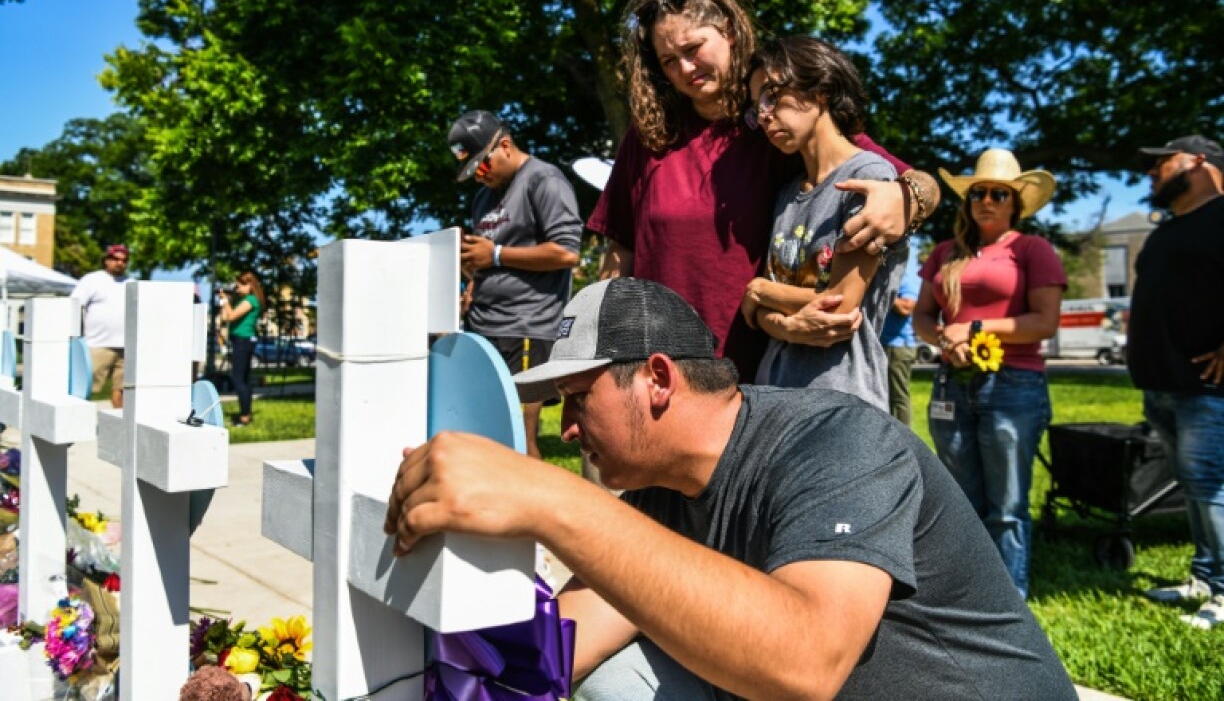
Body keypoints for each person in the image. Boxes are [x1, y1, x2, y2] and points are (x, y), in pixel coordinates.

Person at [384, 278, 1077, 701]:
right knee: (613, 674)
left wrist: (550, 498)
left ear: (658, 379)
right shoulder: (662, 497)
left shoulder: (838, 439)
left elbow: (807, 662)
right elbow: (546, 659)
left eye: (576, 399)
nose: (567, 430)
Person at [587, 0, 939, 380]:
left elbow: (918, 182)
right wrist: (602, 346)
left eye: (693, 48)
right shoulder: (648, 136)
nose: (684, 69)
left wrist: (905, 196)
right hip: (659, 372)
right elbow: (619, 252)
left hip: (760, 375)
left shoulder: (782, 122)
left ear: (729, 33)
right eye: (668, 61)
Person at [912, 149, 1065, 597]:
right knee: (961, 500)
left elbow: (1044, 322)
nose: (988, 200)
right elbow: (923, 317)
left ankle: (1009, 599)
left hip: (1013, 385)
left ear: (1014, 202)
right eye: (978, 193)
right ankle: (970, 593)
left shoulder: (1031, 249)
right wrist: (945, 341)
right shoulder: (944, 253)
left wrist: (974, 327)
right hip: (951, 383)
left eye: (999, 193)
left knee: (1008, 504)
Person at [739, 37, 902, 408]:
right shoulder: (785, 195)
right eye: (755, 107)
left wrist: (759, 292)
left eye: (771, 95)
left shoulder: (867, 178)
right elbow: (766, 315)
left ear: (822, 91)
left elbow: (839, 307)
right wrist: (779, 320)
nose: (763, 115)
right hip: (775, 400)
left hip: (841, 402)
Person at [1128, 134, 1224, 629]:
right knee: (1192, 486)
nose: (1151, 173)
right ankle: (1205, 577)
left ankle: (1223, 594)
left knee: (1210, 487)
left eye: (1160, 163)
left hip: (1206, 390)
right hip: (1161, 381)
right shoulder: (1169, 228)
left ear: (1198, 161)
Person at [449, 109, 583, 459]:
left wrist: (495, 255)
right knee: (484, 437)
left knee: (518, 444)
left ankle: (531, 514)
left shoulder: (544, 180)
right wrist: (472, 281)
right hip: (481, 326)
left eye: (481, 165)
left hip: (525, 326)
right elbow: (487, 255)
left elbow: (567, 253)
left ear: (504, 145)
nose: (479, 177)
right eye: (471, 172)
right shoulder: (484, 198)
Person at [70, 244, 132, 408]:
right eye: (116, 259)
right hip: (96, 344)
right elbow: (75, 306)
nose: (120, 263)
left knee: (123, 390)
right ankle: (78, 424)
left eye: (124, 260)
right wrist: (75, 337)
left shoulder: (131, 283)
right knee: (84, 388)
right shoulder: (92, 280)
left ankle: (120, 428)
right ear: (106, 260)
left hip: (126, 347)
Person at [218, 271, 264, 427]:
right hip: (239, 340)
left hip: (244, 341)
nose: (237, 288)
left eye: (240, 285)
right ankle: (246, 413)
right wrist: (224, 302)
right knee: (243, 379)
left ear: (250, 285)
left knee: (238, 379)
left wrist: (226, 302)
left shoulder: (251, 300)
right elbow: (225, 317)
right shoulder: (242, 300)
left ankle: (244, 416)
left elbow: (231, 317)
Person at [882, 255, 921, 426]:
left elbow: (906, 307)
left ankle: (905, 443)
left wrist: (882, 293)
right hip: (885, 343)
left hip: (897, 346)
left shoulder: (907, 274)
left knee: (897, 398)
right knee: (884, 397)